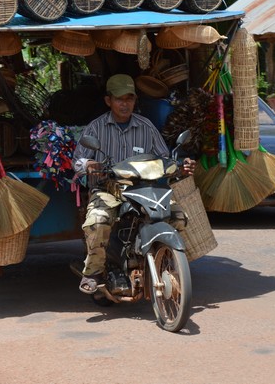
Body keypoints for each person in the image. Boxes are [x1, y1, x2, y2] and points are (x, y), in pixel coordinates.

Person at [72, 74, 195, 294]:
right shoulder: (96, 127)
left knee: (178, 217)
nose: (125, 104)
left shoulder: (146, 127)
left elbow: (164, 157)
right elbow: (77, 161)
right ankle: (94, 272)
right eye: (119, 99)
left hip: (145, 190)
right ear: (108, 100)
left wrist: (180, 165)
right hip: (108, 190)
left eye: (129, 98)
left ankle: (168, 259)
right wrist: (89, 164)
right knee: (98, 221)